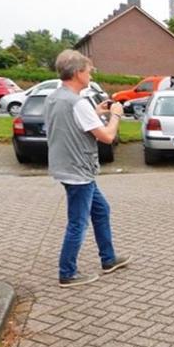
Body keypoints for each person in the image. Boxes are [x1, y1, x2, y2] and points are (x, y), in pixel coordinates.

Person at [46, 50, 131, 288]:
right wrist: (115, 115)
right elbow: (107, 136)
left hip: (66, 166)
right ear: (76, 73)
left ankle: (109, 259)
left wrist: (97, 113)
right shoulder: (78, 102)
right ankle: (67, 272)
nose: (90, 73)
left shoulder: (54, 98)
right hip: (78, 171)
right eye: (87, 69)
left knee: (101, 210)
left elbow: (70, 123)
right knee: (78, 223)